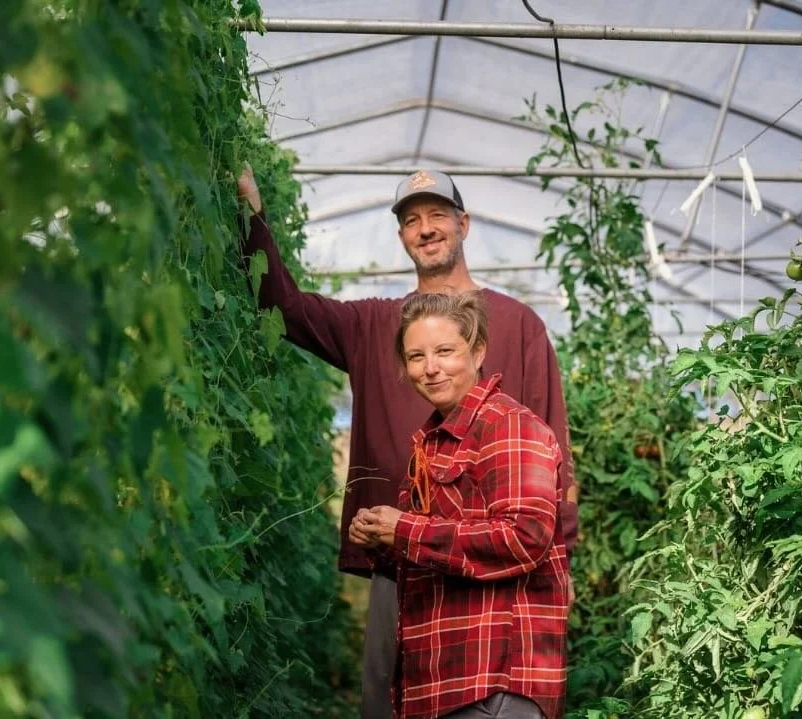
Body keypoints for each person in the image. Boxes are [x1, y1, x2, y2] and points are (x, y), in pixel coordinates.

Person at [236, 166, 577, 718]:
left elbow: (552, 457)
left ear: (463, 224)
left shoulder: (518, 325)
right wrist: (249, 211)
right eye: (411, 220)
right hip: (403, 566)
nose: (425, 229)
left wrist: (560, 570)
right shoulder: (375, 325)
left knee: (488, 699)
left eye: (438, 215)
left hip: (500, 577)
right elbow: (286, 307)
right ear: (401, 237)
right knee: (397, 701)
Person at [349, 291, 570, 719]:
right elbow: (434, 552)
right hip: (448, 678)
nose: (430, 368)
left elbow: (525, 537)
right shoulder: (433, 442)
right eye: (416, 356)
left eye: (444, 351)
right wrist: (382, 537)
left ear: (479, 350)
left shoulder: (507, 426)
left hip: (494, 682)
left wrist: (405, 530)